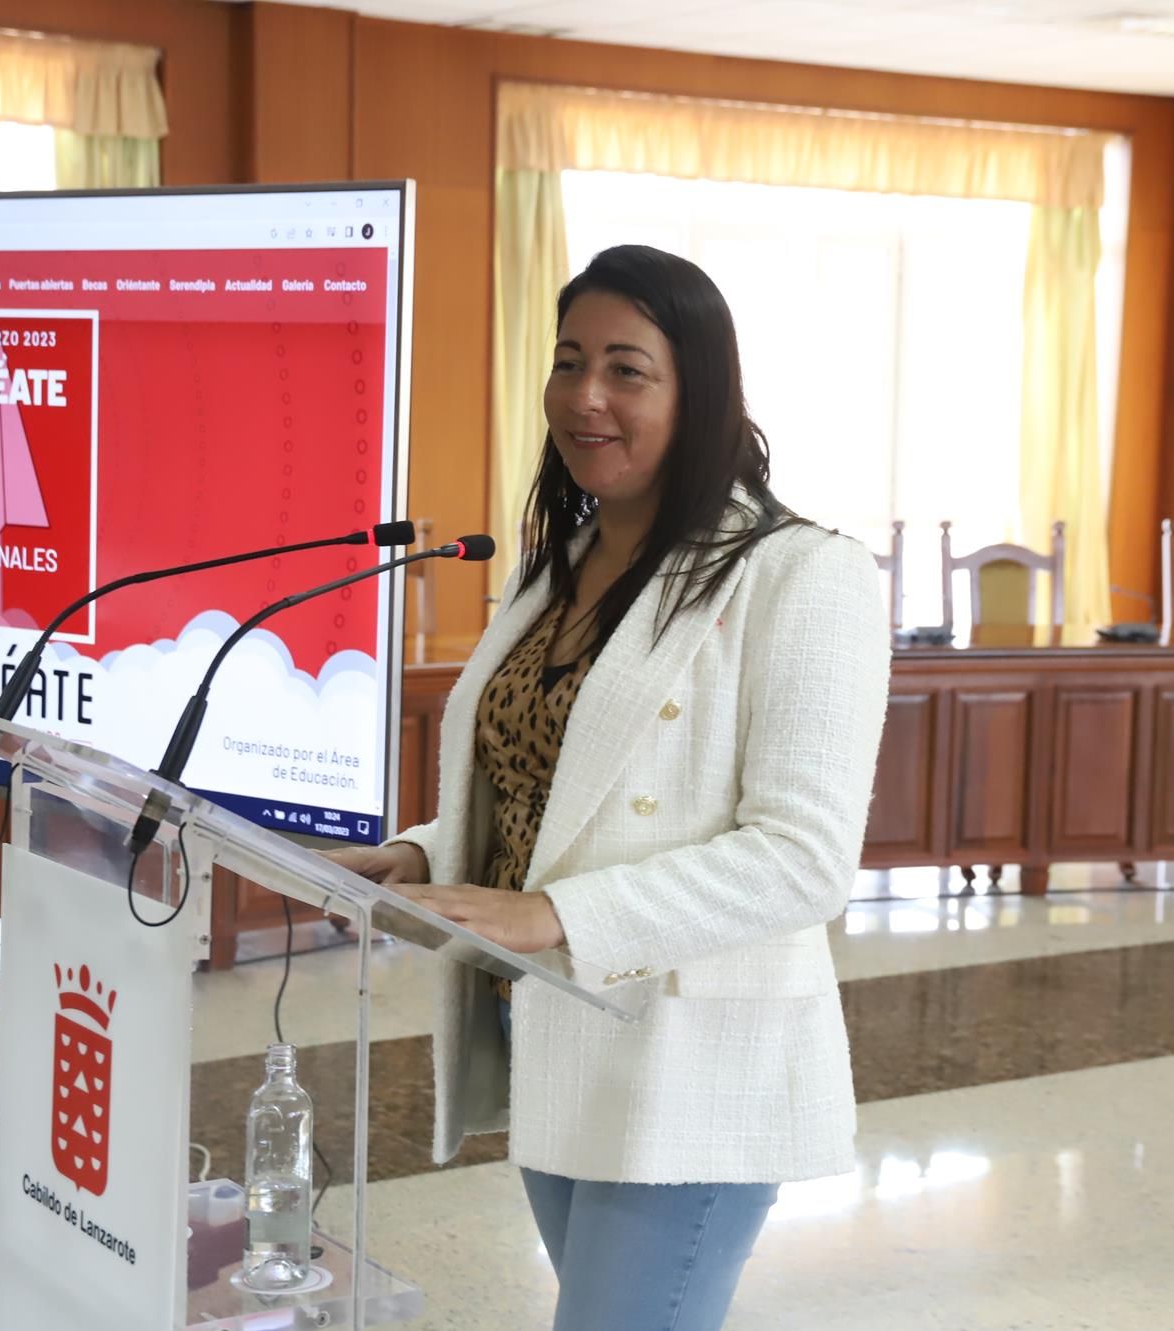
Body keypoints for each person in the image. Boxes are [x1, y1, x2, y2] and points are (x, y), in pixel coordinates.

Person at [327, 244, 890, 1331]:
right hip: (555, 1028)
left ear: (700, 392)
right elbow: (550, 794)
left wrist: (549, 913)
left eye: (627, 369)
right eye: (568, 360)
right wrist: (424, 855)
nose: (585, 397)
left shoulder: (801, 574)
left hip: (689, 1058)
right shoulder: (554, 567)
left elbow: (803, 857)